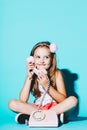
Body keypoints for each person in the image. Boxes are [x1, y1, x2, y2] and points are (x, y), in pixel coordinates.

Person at [8, 41, 78, 125]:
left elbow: (62, 99)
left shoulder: (57, 73)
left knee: (73, 100)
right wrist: (29, 77)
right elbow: (23, 100)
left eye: (46, 57)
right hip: (38, 107)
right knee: (12, 103)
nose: (42, 61)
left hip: (55, 107)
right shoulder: (32, 74)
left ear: (52, 59)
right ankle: (52, 116)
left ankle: (34, 117)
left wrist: (47, 86)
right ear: (32, 59)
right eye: (38, 57)